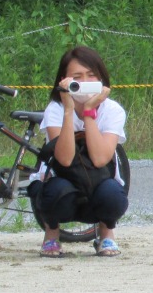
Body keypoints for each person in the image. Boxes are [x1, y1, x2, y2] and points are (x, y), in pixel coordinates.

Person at [32, 46, 129, 257]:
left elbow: (100, 158)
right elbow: (65, 159)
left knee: (113, 195)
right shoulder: (56, 109)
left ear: (101, 78)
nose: (84, 82)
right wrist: (69, 110)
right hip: (63, 182)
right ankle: (51, 233)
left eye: (91, 76)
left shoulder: (113, 110)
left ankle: (106, 232)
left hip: (98, 180)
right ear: (63, 81)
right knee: (54, 192)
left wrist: (88, 112)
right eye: (77, 77)